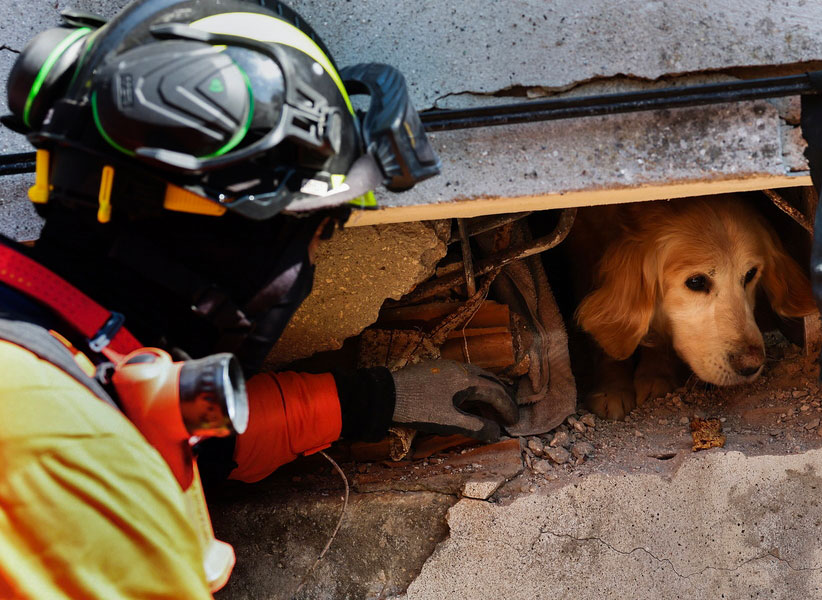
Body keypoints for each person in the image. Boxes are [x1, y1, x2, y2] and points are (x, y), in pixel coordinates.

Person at [0, 0, 518, 597]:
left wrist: (369, 401)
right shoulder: (70, 462)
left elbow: (188, 434)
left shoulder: (53, 357)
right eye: (316, 239)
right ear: (239, 242)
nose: (306, 275)